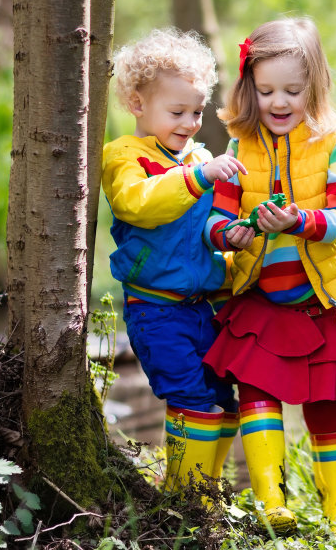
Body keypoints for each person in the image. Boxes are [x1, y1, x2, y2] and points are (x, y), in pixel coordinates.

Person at [202, 17, 336, 538]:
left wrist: (300, 223)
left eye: (292, 90)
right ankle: (273, 504)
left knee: (328, 409)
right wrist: (231, 236)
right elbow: (216, 220)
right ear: (249, 89)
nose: (279, 102)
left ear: (316, 86)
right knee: (256, 395)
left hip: (322, 300)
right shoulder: (240, 148)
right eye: (266, 91)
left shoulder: (335, 144)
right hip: (261, 302)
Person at [101, 27, 247, 497]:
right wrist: (199, 174)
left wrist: (231, 236)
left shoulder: (199, 156)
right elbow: (139, 205)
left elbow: (206, 225)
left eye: (197, 112)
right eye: (177, 111)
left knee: (223, 400)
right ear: (138, 104)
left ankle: (206, 489)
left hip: (203, 305)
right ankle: (187, 497)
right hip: (156, 309)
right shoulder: (127, 156)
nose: (189, 122)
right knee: (190, 396)